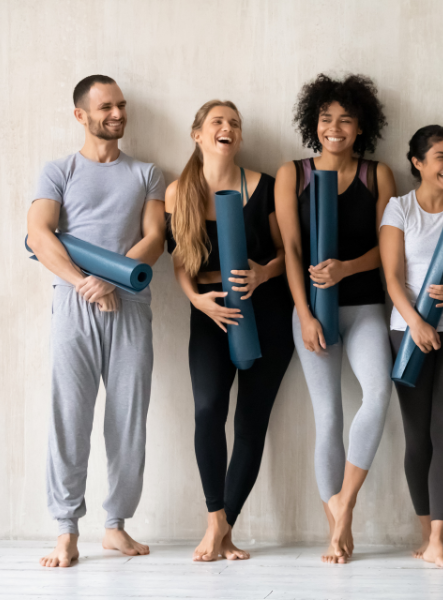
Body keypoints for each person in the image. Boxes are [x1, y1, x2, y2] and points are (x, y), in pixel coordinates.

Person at [27, 75, 166, 568]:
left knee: (128, 419)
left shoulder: (148, 174)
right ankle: (66, 530)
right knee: (70, 416)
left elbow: (154, 238)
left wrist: (114, 281)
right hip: (73, 305)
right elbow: (40, 235)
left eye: (122, 106)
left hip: (130, 303)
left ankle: (115, 527)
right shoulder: (58, 170)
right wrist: (84, 281)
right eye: (106, 106)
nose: (117, 114)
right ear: (81, 114)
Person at [165, 100, 294, 562]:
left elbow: (288, 253)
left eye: (235, 123)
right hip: (210, 310)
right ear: (197, 133)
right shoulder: (178, 191)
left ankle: (226, 531)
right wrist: (196, 299)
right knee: (207, 409)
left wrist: (263, 274)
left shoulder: (266, 186)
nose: (228, 128)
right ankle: (214, 517)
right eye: (218, 121)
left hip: (268, 311)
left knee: (250, 422)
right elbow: (181, 259)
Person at [274, 74, 395, 564]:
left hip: (365, 306)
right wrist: (303, 314)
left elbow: (390, 249)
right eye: (326, 119)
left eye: (345, 119)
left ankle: (344, 506)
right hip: (312, 313)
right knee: (328, 417)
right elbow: (291, 250)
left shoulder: (377, 174)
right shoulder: (292, 173)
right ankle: (336, 530)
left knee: (378, 392)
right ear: (313, 124)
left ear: (360, 125)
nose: (335, 127)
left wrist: (347, 267)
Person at [380, 125, 443, 568]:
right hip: (407, 331)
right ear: (418, 163)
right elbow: (392, 278)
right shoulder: (399, 208)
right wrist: (416, 322)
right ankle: (427, 535)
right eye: (440, 157)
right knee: (417, 436)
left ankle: (440, 540)